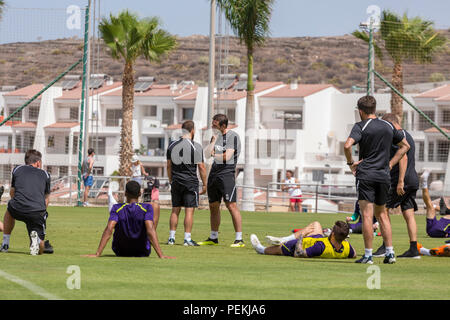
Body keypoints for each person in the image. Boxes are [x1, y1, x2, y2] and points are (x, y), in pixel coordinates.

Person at [344, 95, 410, 264]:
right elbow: (405, 146)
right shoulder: (388, 125)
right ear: (374, 109)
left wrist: (351, 163)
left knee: (367, 215)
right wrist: (390, 164)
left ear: (360, 111)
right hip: (383, 176)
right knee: (382, 215)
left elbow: (347, 145)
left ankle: (368, 255)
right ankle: (390, 253)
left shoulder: (361, 126)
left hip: (366, 175)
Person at [370, 114, 420, 259]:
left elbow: (403, 157)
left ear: (390, 124)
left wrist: (400, 181)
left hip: (401, 181)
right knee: (409, 213)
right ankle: (413, 249)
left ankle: (386, 246)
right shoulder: (407, 135)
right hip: (413, 180)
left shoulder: (395, 136)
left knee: (382, 210)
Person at [85, 180, 174, 258]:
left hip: (120, 251)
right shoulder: (147, 208)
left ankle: (145, 241)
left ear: (125, 193)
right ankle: (147, 242)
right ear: (140, 193)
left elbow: (109, 228)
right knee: (155, 207)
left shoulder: (116, 208)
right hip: (142, 251)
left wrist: (98, 253)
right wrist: (161, 255)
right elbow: (150, 229)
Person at [198, 114, 244, 248]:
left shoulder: (232, 136)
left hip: (227, 174)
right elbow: (206, 155)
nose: (212, 127)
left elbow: (227, 157)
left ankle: (239, 239)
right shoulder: (216, 137)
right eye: (212, 124)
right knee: (213, 206)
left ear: (223, 126)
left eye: (215, 125)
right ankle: (213, 237)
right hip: (214, 174)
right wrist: (213, 141)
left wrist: (213, 154)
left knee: (231, 205)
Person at [0, 150, 52, 255]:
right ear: (38, 162)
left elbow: (12, 192)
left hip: (18, 207)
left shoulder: (17, 169)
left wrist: (20, 203)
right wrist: (40, 213)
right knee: (41, 249)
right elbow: (46, 199)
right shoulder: (45, 174)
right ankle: (36, 242)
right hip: (37, 211)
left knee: (10, 209)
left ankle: (5, 243)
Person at [166, 120, 207, 246]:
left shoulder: (172, 145)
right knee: (189, 211)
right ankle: (187, 239)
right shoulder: (196, 146)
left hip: (176, 181)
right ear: (192, 130)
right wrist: (205, 184)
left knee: (175, 210)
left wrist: (171, 180)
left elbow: (168, 166)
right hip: (190, 182)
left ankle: (171, 238)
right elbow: (201, 167)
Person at [250, 221, 357, 259]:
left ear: (333, 234)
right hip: (320, 239)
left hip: (303, 243)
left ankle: (261, 249)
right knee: (316, 224)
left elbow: (298, 253)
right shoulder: (347, 247)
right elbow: (354, 254)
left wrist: (301, 237)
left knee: (280, 248)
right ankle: (283, 238)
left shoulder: (320, 247)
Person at [420, 170, 450, 238]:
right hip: (433, 228)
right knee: (430, 205)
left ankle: (424, 183)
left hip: (439, 231)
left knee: (429, 205)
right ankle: (424, 182)